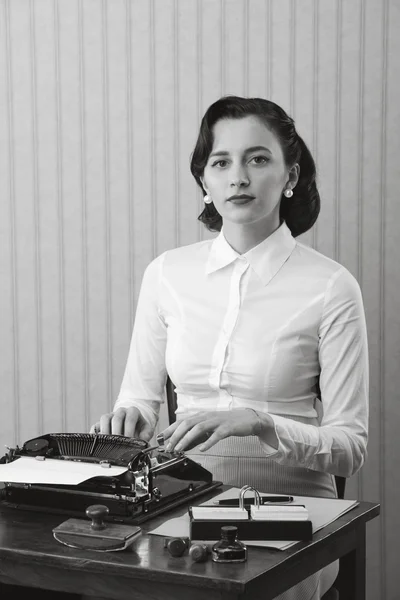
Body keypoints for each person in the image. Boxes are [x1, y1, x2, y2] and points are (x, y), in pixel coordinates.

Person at [91, 96, 369, 600]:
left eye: (258, 159)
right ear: (205, 181)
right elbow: (137, 400)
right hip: (177, 499)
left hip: (293, 504)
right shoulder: (166, 274)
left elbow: (350, 450)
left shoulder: (332, 286)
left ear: (290, 175)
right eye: (221, 162)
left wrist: (259, 424)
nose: (238, 177)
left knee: (233, 587)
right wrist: (126, 421)